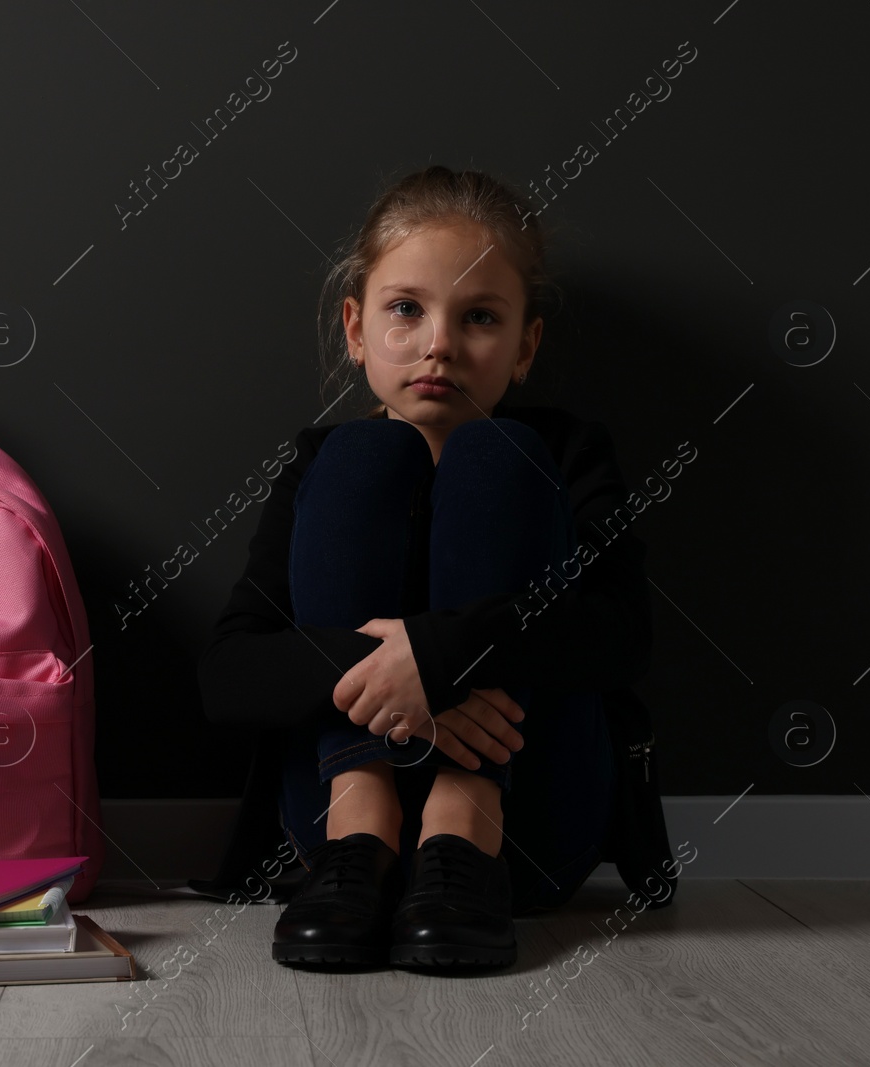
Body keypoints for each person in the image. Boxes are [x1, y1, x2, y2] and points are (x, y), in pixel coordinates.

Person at [195, 165, 654, 971]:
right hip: (336, 828)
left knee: (498, 456)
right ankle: (364, 826)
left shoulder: (566, 452)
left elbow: (621, 636)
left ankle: (463, 818)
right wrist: (394, 672)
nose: (439, 342)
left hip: (530, 829)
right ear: (356, 328)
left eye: (479, 317)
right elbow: (230, 673)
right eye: (406, 309)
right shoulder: (319, 464)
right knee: (361, 454)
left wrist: (440, 656)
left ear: (525, 345)